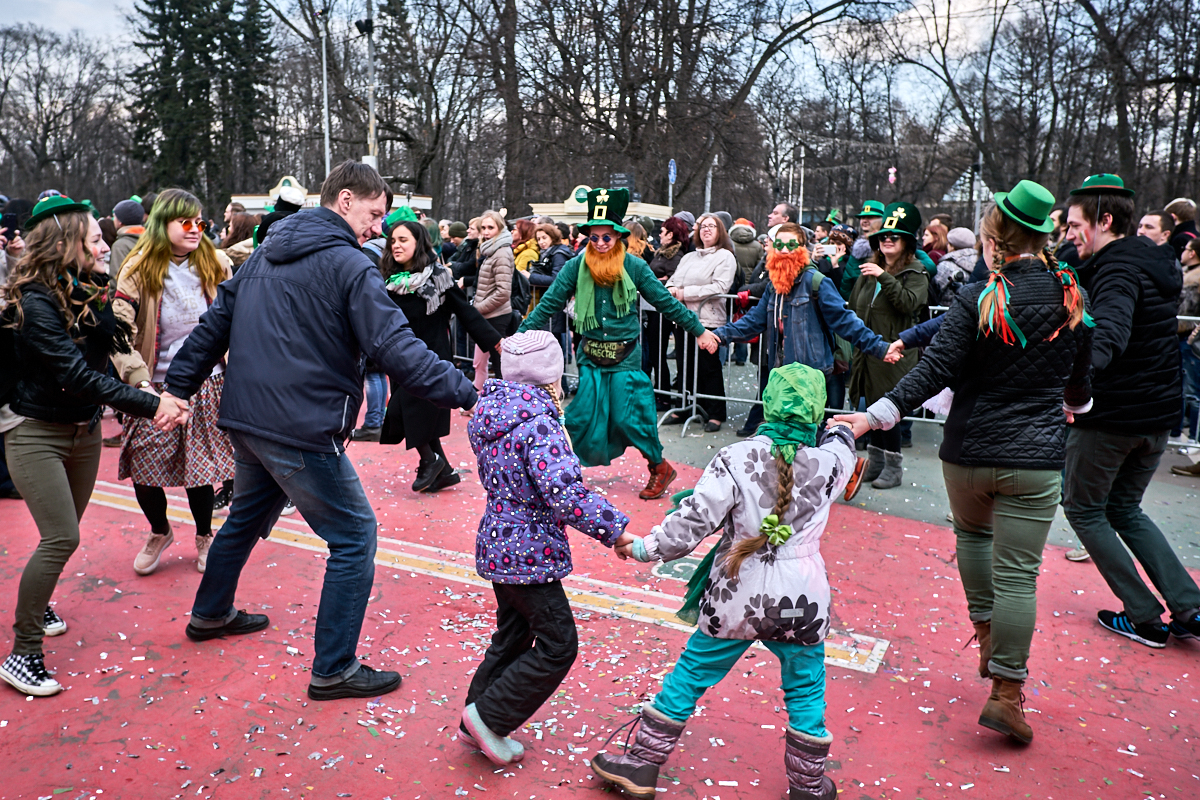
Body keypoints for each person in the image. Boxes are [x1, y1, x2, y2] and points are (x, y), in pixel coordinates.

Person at [160, 160, 478, 700]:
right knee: (355, 536)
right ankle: (334, 667)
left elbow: (213, 327)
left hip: (249, 416)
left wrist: (178, 388)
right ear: (346, 199)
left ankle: (210, 613)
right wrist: (473, 394)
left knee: (243, 517)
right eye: (375, 214)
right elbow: (396, 348)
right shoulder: (349, 266)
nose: (379, 227)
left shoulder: (265, 252)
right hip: (300, 425)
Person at [839, 180, 1094, 744]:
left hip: (970, 450)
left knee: (974, 542)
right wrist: (1076, 404)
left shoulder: (981, 296)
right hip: (1036, 457)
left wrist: (872, 415)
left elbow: (934, 370)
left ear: (997, 236)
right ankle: (1006, 691)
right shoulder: (1071, 294)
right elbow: (1080, 379)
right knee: (1019, 578)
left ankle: (987, 639)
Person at [592, 363, 855, 800]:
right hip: (803, 598)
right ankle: (808, 785)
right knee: (806, 684)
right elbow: (843, 441)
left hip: (737, 592)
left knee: (692, 673)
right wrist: (841, 428)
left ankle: (642, 764)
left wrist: (642, 548)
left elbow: (692, 524)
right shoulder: (831, 464)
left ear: (767, 404)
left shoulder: (734, 459)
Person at [0, 196, 187, 696]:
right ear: (65, 245)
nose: (106, 244)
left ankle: (38, 603)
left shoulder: (87, 290)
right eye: (95, 238)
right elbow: (77, 374)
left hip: (81, 431)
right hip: (34, 429)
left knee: (65, 531)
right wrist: (152, 407)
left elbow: (114, 353)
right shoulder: (35, 301)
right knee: (62, 538)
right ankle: (23, 653)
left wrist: (148, 388)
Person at [460, 330, 629, 765]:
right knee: (559, 644)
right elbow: (565, 491)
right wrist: (617, 531)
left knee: (513, 634)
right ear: (550, 376)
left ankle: (474, 717)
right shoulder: (538, 423)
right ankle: (491, 718)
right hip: (528, 553)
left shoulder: (492, 412)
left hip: (497, 543)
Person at [1060, 173, 1200, 645]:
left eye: (1076, 225)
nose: (1069, 234)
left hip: (1114, 417)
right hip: (1157, 416)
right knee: (1124, 508)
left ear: (1104, 221)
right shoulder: (1153, 260)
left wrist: (1075, 383)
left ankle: (1143, 615)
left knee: (1083, 508)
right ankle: (1188, 605)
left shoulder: (1116, 269)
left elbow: (1111, 333)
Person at [518, 188, 718, 499]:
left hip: (625, 357)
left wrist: (700, 331)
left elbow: (665, 302)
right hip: (591, 356)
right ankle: (561, 470)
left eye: (606, 237)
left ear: (618, 237)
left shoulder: (635, 267)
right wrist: (521, 335)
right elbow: (550, 304)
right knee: (579, 417)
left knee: (631, 418)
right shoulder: (575, 267)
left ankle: (659, 467)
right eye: (593, 237)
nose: (599, 243)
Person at [112, 189, 235, 576]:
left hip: (206, 383)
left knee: (198, 473)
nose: (195, 229)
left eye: (200, 221)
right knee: (145, 470)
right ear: (162, 224)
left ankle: (204, 535)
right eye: (185, 222)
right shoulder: (137, 269)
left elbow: (237, 324)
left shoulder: (217, 263)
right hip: (154, 386)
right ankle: (159, 530)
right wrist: (140, 381)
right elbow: (119, 335)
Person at [707, 222, 891, 436]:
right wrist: (718, 335)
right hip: (781, 373)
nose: (784, 250)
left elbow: (846, 321)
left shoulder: (817, 282)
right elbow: (753, 322)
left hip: (808, 375)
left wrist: (879, 347)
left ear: (803, 250)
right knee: (781, 437)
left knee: (806, 439)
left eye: (791, 245)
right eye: (779, 245)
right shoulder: (773, 287)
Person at [377, 220, 502, 491]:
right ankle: (441, 470)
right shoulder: (387, 280)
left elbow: (466, 314)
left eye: (403, 240)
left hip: (430, 359)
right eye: (393, 240)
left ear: (418, 243)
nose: (396, 245)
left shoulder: (438, 278)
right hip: (399, 359)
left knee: (408, 411)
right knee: (419, 417)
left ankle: (430, 461)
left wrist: (496, 343)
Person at [846, 202, 930, 489]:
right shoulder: (868, 270)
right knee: (871, 408)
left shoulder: (915, 272)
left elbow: (909, 303)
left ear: (906, 243)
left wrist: (884, 276)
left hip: (896, 354)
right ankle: (877, 462)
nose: (887, 241)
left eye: (894, 237)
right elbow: (855, 307)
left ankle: (893, 467)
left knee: (888, 411)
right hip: (869, 352)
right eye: (883, 237)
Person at [663, 214, 738, 431]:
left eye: (711, 226)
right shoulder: (689, 257)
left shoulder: (725, 257)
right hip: (683, 318)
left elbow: (719, 287)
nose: (706, 230)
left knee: (708, 368)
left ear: (720, 231)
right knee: (684, 365)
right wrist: (671, 291)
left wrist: (684, 293)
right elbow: (673, 281)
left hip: (708, 319)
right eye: (702, 226)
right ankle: (685, 406)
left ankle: (715, 413)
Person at [642, 216, 690, 406]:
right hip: (654, 309)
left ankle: (664, 394)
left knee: (659, 352)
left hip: (662, 310)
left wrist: (655, 282)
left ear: (671, 234)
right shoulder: (662, 253)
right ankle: (661, 390)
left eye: (662, 232)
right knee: (656, 352)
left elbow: (672, 282)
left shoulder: (674, 256)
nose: (659, 235)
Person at [471, 210, 515, 392]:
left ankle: (504, 405)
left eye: (491, 227)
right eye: (483, 228)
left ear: (500, 229)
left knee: (500, 367)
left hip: (497, 316)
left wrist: (478, 308)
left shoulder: (501, 252)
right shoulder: (491, 250)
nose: (486, 231)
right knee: (483, 362)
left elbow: (503, 292)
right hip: (487, 315)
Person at [1172, 237, 1200, 464]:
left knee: (1192, 391)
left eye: (1187, 249)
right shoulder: (1185, 271)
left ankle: (1192, 440)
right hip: (1181, 335)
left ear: (1193, 253)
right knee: (1182, 388)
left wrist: (1193, 335)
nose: (1183, 251)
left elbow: (1187, 309)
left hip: (1190, 338)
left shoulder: (1196, 277)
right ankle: (1176, 432)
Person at [109, 199, 146, 279]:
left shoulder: (120, 246)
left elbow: (117, 279)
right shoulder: (152, 239)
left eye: (114, 216)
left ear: (120, 221)